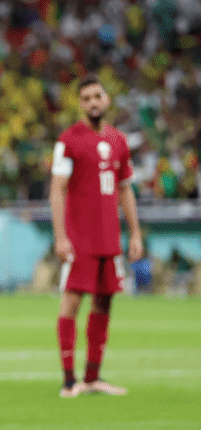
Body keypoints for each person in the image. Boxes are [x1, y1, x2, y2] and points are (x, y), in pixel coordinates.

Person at [50, 74, 143, 398]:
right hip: (80, 238)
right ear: (80, 104)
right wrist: (61, 237)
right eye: (86, 98)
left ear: (107, 100)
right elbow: (57, 189)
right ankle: (68, 381)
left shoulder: (119, 141)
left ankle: (92, 377)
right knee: (72, 302)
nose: (93, 102)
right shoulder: (69, 140)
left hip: (109, 238)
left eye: (97, 96)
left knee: (104, 302)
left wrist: (135, 234)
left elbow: (125, 189)